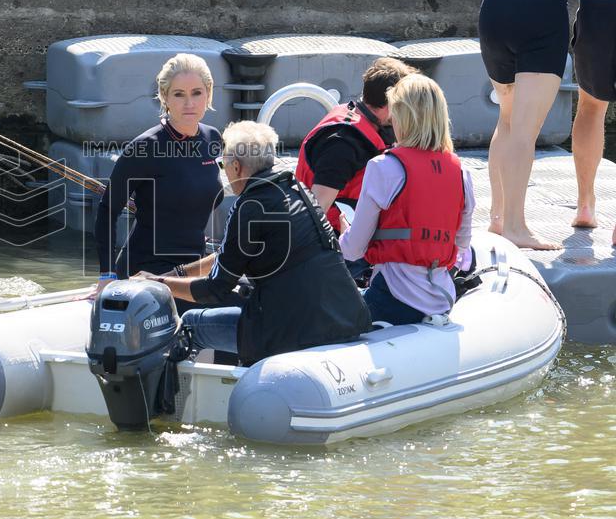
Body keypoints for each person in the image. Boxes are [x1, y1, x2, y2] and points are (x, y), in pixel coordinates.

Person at [455, 0, 616, 249]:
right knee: (524, 132)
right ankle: (515, 225)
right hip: (541, 17)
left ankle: (499, 218)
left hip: (494, 11)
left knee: (508, 121)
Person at [135, 121, 371, 367]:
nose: (223, 172)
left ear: (236, 166)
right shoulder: (297, 190)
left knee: (191, 323)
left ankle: (171, 403)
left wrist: (156, 283)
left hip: (295, 332)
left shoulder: (248, 206)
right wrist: (179, 273)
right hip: (345, 318)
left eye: (222, 165)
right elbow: (233, 255)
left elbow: (215, 290)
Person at [340, 75, 476, 325]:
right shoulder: (462, 173)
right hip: (441, 299)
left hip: (392, 299)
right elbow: (463, 242)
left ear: (401, 116)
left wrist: (344, 232)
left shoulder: (383, 167)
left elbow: (353, 249)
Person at [94, 53, 224, 299]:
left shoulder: (213, 138)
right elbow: (107, 210)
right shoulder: (145, 147)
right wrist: (107, 275)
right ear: (164, 97)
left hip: (192, 271)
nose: (189, 103)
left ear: (208, 93)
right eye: (179, 94)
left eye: (197, 92)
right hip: (146, 272)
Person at [295, 57, 416, 232]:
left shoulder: (363, 119)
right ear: (391, 103)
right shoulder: (342, 144)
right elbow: (317, 209)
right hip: (338, 241)